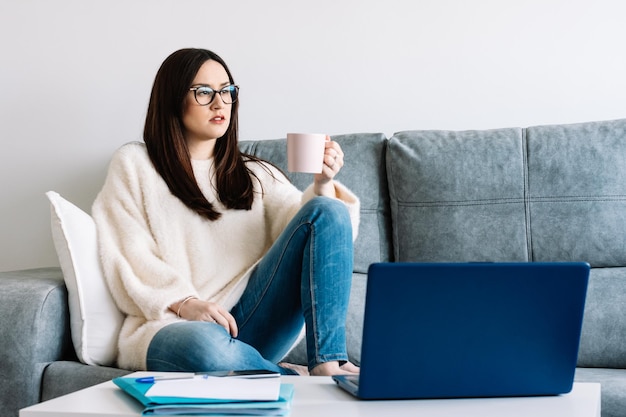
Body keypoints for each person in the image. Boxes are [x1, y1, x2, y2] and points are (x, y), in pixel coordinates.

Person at [92, 48, 360, 376]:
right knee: (205, 347)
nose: (220, 103)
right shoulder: (135, 164)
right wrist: (185, 302)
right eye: (204, 92)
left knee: (329, 208)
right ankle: (286, 376)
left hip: (251, 323)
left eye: (227, 91)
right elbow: (126, 252)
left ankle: (328, 364)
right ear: (173, 99)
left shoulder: (255, 173)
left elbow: (315, 237)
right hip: (176, 325)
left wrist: (322, 183)